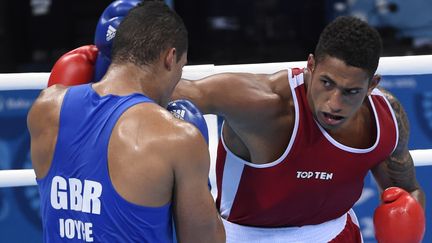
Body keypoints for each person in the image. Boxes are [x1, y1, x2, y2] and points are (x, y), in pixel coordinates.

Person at [172, 16, 426, 242]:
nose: (334, 103)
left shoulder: (384, 118)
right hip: (248, 235)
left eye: (351, 92)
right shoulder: (265, 105)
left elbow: (407, 190)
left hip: (337, 234)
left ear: (372, 85)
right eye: (327, 83)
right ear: (311, 66)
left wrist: (406, 228)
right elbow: (172, 90)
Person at [27, 1, 225, 242]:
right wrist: (198, 177)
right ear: (170, 58)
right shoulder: (177, 137)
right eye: (181, 68)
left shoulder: (46, 107)